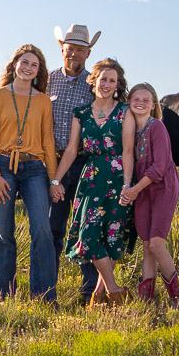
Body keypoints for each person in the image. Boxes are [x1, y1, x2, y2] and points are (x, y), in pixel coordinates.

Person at [51, 58, 133, 307]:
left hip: (118, 176)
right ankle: (114, 289)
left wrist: (128, 184)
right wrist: (56, 179)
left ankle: (99, 296)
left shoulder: (124, 111)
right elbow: (72, 151)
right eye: (103, 79)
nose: (107, 84)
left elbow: (128, 150)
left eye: (112, 81)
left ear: (117, 85)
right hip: (91, 177)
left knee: (113, 234)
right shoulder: (82, 113)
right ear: (94, 80)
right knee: (88, 235)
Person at [0, 44, 59, 302]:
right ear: (14, 65)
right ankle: (2, 296)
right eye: (24, 62)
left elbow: (48, 142)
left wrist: (54, 179)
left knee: (42, 230)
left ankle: (44, 297)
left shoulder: (43, 101)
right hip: (3, 167)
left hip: (35, 168)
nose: (28, 68)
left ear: (38, 71)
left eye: (33, 65)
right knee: (3, 231)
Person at [47, 24, 101, 306]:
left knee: (84, 226)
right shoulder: (47, 80)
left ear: (88, 52)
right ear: (62, 49)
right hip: (53, 162)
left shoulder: (95, 83)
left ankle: (89, 290)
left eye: (80, 49)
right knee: (52, 226)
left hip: (84, 161)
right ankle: (47, 287)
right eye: (70, 48)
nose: (75, 54)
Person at [120, 83, 179, 307]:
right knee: (147, 245)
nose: (140, 102)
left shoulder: (156, 126)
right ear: (129, 102)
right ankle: (146, 301)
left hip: (162, 186)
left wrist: (133, 191)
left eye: (146, 100)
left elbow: (159, 167)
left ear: (153, 104)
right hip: (142, 188)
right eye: (136, 98)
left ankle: (177, 299)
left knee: (157, 244)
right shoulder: (131, 131)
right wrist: (129, 188)